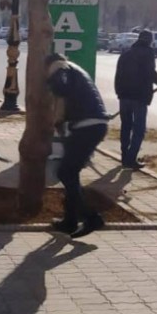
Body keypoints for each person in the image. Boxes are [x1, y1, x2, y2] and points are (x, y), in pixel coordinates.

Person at [46, 53, 109, 238]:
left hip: (88, 127)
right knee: (70, 173)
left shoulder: (60, 67)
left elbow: (61, 87)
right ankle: (70, 221)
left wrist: (50, 82)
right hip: (89, 126)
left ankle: (91, 217)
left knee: (65, 173)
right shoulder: (75, 70)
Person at [114, 29, 157, 169]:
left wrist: (119, 93)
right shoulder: (147, 53)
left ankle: (124, 157)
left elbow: (118, 75)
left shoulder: (126, 54)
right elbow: (150, 72)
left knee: (126, 126)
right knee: (139, 129)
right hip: (139, 97)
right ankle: (131, 159)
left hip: (124, 96)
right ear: (150, 40)